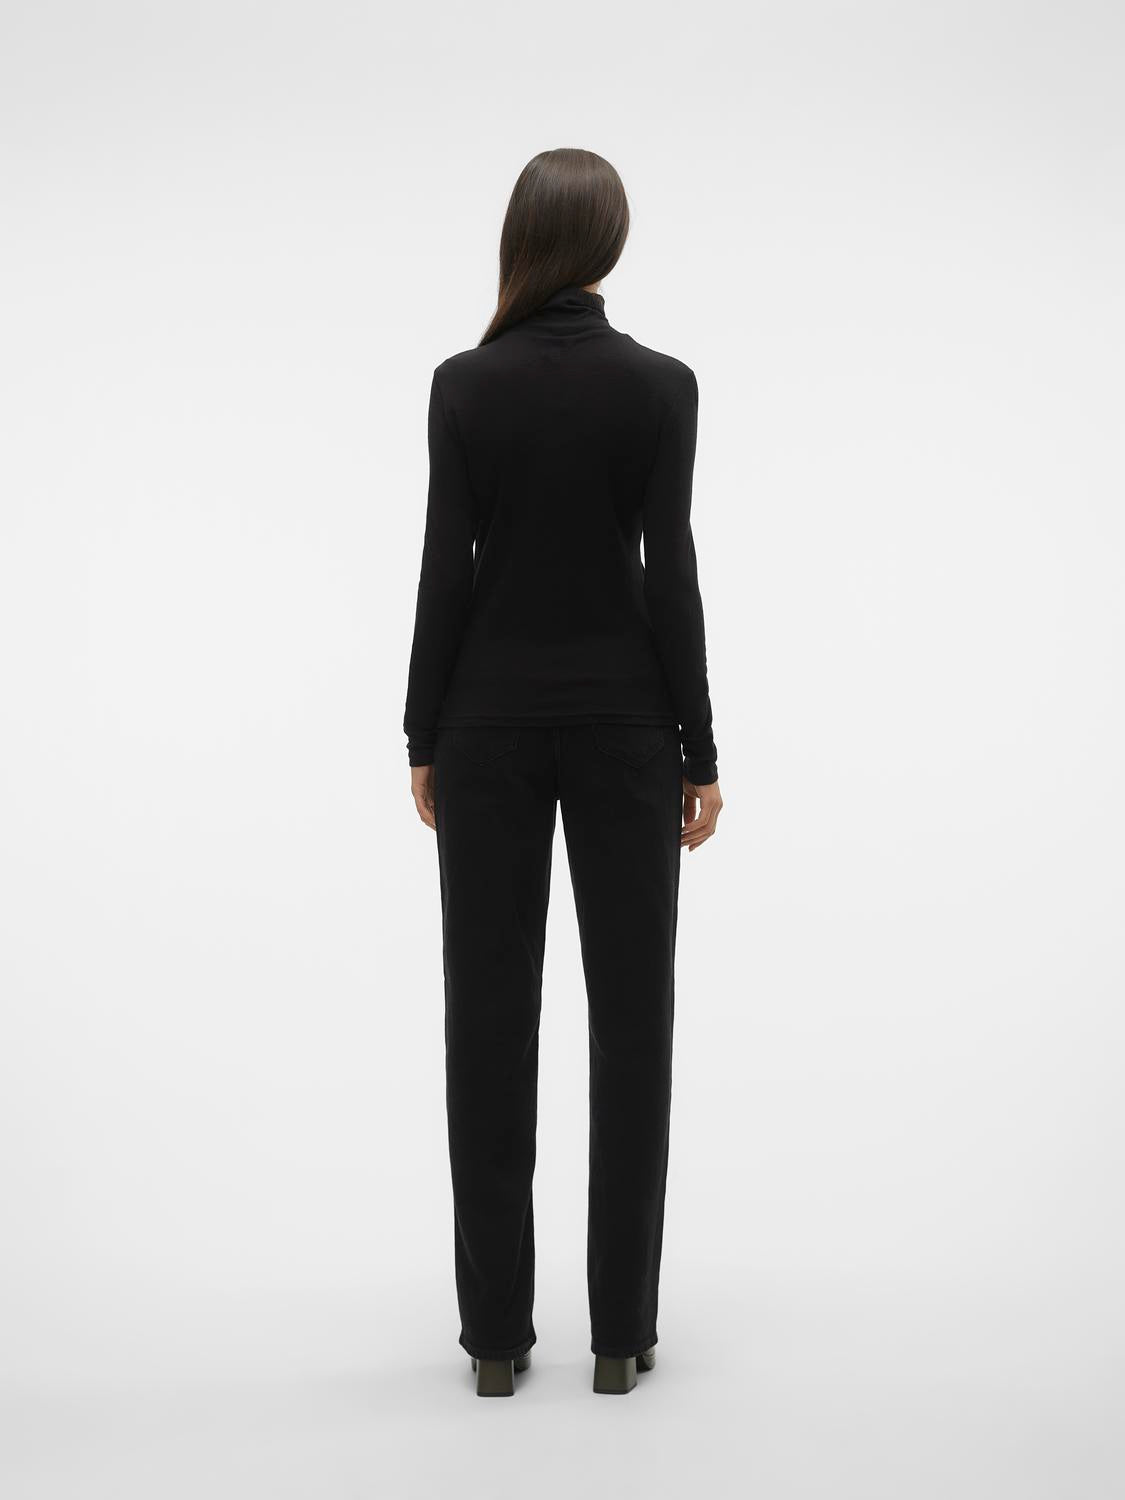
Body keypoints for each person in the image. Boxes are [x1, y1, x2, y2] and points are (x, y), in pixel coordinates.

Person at [403, 147, 723, 1397]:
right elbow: (669, 572)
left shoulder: (463, 385)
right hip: (627, 729)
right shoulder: (662, 387)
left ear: (522, 237)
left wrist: (422, 734)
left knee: (486, 1021)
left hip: (485, 727)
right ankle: (621, 1337)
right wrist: (699, 747)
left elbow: (446, 564)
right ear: (609, 242)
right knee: (634, 1025)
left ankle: (495, 1342)